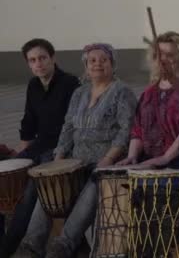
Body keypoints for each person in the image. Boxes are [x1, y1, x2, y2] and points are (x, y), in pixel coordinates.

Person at [15, 43, 137, 258]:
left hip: (107, 161)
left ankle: (63, 246)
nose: (97, 64)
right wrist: (59, 158)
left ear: (112, 64)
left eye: (103, 60)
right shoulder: (80, 92)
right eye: (92, 60)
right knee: (50, 184)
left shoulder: (122, 91)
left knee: (94, 184)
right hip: (76, 159)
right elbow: (69, 126)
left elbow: (127, 130)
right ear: (86, 66)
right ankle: (31, 245)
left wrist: (108, 158)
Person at [0, 39, 80, 258]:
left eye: (42, 58)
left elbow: (73, 125)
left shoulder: (70, 83)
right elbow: (29, 124)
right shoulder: (33, 85)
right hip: (38, 148)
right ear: (28, 64)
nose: (38, 64)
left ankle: (13, 248)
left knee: (31, 191)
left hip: (62, 150)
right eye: (32, 60)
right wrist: (20, 156)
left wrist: (57, 153)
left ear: (53, 58)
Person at [116, 31, 179, 168]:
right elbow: (137, 129)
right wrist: (132, 156)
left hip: (177, 162)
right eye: (159, 55)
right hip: (147, 160)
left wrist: (165, 158)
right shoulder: (148, 93)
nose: (163, 60)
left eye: (169, 55)